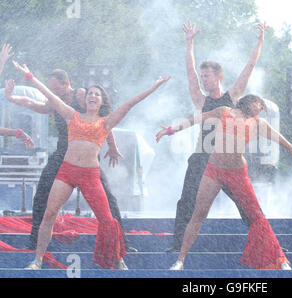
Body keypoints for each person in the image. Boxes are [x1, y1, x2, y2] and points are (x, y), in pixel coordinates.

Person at [8, 61, 170, 269]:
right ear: (84, 100)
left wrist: (154, 87)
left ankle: (118, 257)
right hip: (66, 171)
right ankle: (37, 259)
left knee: (107, 219)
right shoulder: (71, 115)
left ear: (101, 101)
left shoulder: (106, 122)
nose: (92, 96)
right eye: (89, 94)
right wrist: (30, 76)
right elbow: (49, 96)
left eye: (96, 94)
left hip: (90, 175)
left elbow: (130, 103)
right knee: (49, 213)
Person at [157, 94, 292, 270]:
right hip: (214, 170)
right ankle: (180, 260)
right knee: (199, 214)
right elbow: (195, 119)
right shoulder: (224, 111)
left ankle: (280, 259)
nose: (260, 110)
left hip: (237, 173)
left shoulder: (258, 124)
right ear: (250, 101)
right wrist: (170, 130)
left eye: (262, 109)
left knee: (256, 216)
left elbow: (284, 143)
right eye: (260, 105)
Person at [5, 68, 135, 252]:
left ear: (67, 84)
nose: (53, 93)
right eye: (52, 89)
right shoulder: (55, 103)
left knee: (108, 198)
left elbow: (102, 120)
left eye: (56, 89)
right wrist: (12, 98)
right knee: (42, 194)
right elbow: (32, 103)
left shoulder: (81, 95)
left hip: (87, 155)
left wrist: (112, 146)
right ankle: (35, 241)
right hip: (63, 153)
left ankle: (123, 243)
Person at [166, 21, 268, 253]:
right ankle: (177, 247)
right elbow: (190, 73)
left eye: (208, 76)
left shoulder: (232, 97)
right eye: (203, 77)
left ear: (218, 76)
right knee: (186, 202)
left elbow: (249, 67)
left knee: (247, 205)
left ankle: (265, 244)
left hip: (228, 161)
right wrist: (189, 42)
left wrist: (260, 42)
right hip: (202, 158)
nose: (204, 80)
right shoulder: (202, 100)